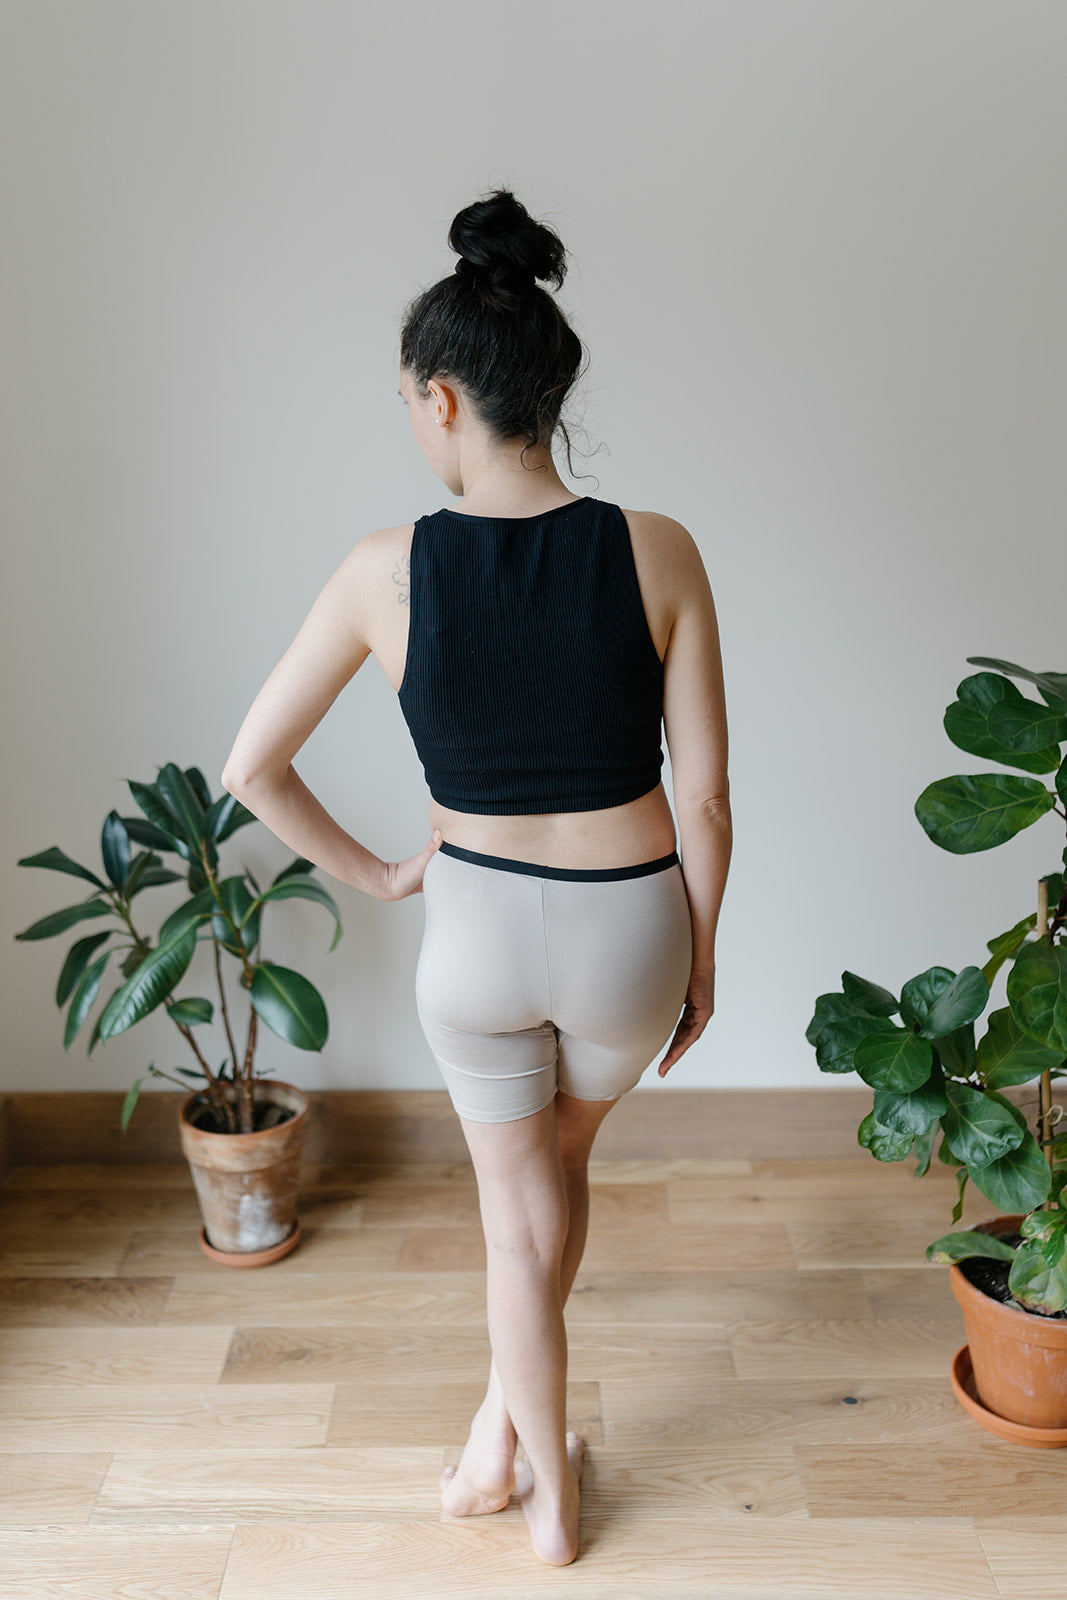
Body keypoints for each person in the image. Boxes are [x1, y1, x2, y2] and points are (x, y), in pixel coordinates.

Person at [221, 188, 731, 1567]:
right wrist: (701, 950)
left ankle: (532, 1479)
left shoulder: (383, 572)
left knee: (517, 1216)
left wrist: (388, 875)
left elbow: (251, 767)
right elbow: (710, 799)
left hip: (480, 931)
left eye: (407, 401)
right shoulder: (661, 547)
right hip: (635, 923)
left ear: (442, 397)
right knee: (558, 1177)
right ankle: (510, 1432)